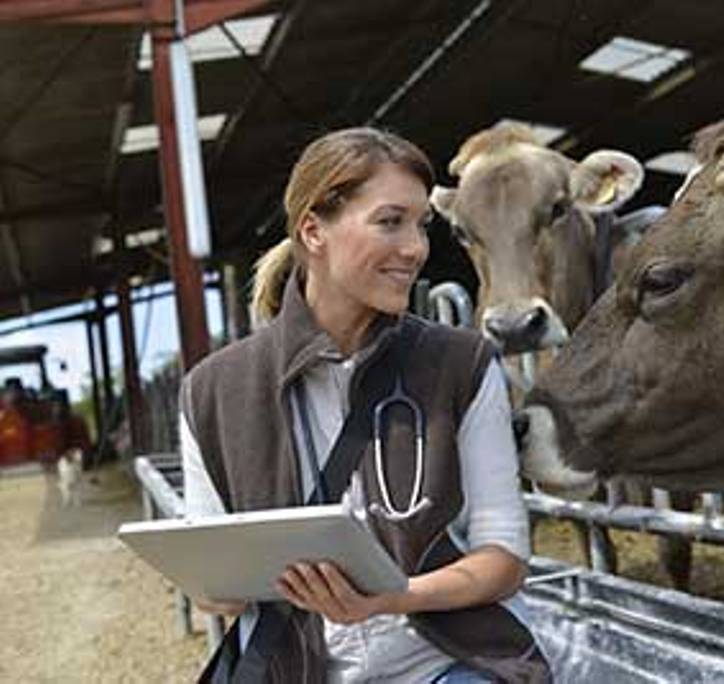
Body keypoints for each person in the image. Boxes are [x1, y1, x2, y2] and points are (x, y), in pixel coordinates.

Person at [179, 127, 550, 683]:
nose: (417, 248)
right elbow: (215, 591)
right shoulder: (212, 392)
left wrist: (388, 598)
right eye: (390, 222)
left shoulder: (460, 364)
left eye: (422, 225)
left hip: (446, 664)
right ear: (313, 230)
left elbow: (503, 561)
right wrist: (236, 584)